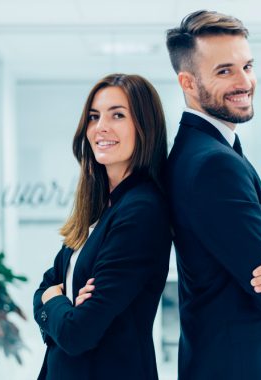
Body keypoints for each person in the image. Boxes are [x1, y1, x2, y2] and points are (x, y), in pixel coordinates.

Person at [165, 10, 261, 380]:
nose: (244, 81)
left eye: (247, 66)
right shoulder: (212, 164)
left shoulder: (209, 150)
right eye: (224, 71)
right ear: (188, 82)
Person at [33, 73, 172, 380]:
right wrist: (59, 303)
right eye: (94, 117)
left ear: (144, 126)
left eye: (118, 115)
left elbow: (76, 333)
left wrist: (53, 301)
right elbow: (45, 283)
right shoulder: (99, 206)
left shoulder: (141, 211)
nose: (101, 128)